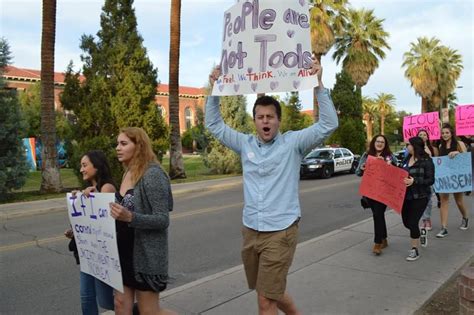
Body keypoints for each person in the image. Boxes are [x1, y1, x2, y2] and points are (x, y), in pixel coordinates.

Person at [206, 58, 337, 315]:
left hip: (281, 231)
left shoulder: (293, 143)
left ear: (278, 120)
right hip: (251, 230)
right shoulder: (245, 144)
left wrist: (318, 84)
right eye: (260, 117)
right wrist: (214, 90)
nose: (265, 121)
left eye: (270, 117)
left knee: (266, 300)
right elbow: (215, 126)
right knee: (266, 290)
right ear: (254, 120)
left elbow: (328, 124)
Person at [109, 127, 175, 315]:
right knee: (120, 305)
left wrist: (130, 217)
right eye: (117, 143)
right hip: (123, 253)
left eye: (123, 143)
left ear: (139, 146)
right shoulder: (127, 173)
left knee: (149, 312)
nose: (117, 148)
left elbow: (162, 219)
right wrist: (88, 197)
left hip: (145, 256)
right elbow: (117, 209)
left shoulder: (152, 174)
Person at [64, 150, 116, 315]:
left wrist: (91, 197)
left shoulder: (106, 188)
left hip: (102, 255)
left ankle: (142, 310)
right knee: (86, 296)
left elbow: (105, 224)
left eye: (84, 165)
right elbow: (90, 226)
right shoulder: (88, 190)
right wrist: (76, 231)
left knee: (106, 301)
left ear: (97, 166)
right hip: (89, 253)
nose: (81, 169)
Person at [355, 135, 398, 255]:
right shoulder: (367, 155)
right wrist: (363, 168)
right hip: (370, 191)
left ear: (385, 144)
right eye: (378, 141)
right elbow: (358, 172)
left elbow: (397, 170)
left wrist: (386, 163)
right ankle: (384, 238)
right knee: (377, 215)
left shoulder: (389, 156)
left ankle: (377, 243)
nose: (379, 143)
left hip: (384, 191)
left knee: (378, 214)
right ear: (374, 143)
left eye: (382, 142)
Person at [401, 137, 435, 261]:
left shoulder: (427, 161)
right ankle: (420, 233)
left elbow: (431, 180)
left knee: (413, 222)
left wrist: (414, 181)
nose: (406, 147)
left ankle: (414, 250)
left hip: (420, 196)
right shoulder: (406, 159)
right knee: (406, 222)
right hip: (405, 196)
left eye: (408, 145)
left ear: (415, 146)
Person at [436, 123, 469, 238]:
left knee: (459, 201)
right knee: (444, 201)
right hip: (445, 177)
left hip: (457, 177)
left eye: (447, 132)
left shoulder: (459, 144)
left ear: (451, 133)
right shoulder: (441, 146)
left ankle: (465, 217)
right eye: (443, 133)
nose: (444, 135)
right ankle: (444, 228)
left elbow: (466, 158)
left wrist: (458, 153)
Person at [417, 129, 438, 232]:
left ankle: (427, 220)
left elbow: (437, 162)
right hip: (418, 178)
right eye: (420, 134)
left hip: (428, 178)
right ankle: (423, 219)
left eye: (424, 134)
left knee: (428, 200)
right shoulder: (414, 149)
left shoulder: (432, 148)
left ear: (427, 137)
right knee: (420, 200)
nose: (422, 136)